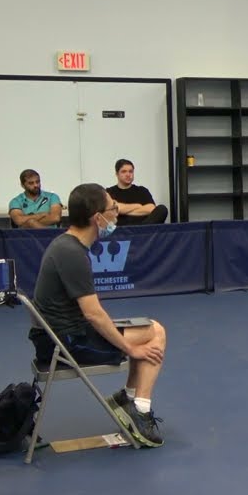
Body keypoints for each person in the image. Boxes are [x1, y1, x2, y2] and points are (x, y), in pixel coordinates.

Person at [28, 183, 168, 447]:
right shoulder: (71, 253)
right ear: (98, 218)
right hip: (64, 344)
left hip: (62, 333)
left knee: (149, 328)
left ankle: (128, 398)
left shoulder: (67, 244)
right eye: (113, 208)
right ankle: (140, 409)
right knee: (156, 334)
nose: (117, 212)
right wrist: (130, 348)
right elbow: (93, 314)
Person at [107, 159, 169, 226]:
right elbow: (111, 211)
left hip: (142, 228)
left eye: (130, 171)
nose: (128, 174)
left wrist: (122, 210)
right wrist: (137, 206)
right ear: (117, 174)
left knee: (162, 209)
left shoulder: (142, 191)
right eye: (124, 171)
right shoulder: (109, 192)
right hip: (120, 229)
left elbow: (151, 209)